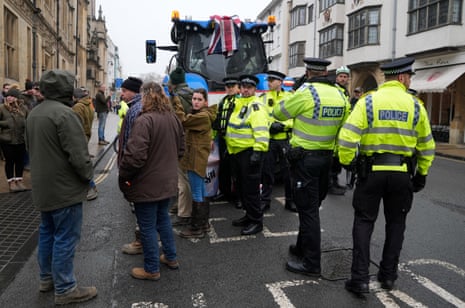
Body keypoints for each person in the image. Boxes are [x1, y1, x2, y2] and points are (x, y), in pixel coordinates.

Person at [338, 57, 436, 295]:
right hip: (402, 174)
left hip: (371, 173)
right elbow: (426, 145)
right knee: (396, 224)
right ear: (402, 78)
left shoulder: (368, 101)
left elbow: (348, 135)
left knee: (363, 222)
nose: (409, 80)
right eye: (409, 77)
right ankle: (388, 276)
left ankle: (360, 279)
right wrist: (421, 173)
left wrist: (347, 161)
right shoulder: (416, 105)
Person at [25, 70, 97, 305]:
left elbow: (29, 148)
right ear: (66, 89)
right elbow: (78, 155)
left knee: (47, 233)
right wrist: (88, 177)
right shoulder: (65, 115)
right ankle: (66, 288)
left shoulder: (34, 113)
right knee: (65, 237)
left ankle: (47, 279)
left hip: (43, 187)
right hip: (64, 189)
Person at [273, 57, 350, 277]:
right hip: (326, 160)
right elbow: (345, 126)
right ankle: (301, 247)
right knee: (312, 207)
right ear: (326, 73)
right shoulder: (340, 94)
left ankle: (312, 264)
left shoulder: (306, 93)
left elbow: (279, 113)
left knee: (308, 212)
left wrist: (295, 90)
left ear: (307, 73)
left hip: (305, 161)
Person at [118, 81, 184, 281]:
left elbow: (134, 157)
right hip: (167, 182)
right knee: (162, 219)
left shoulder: (144, 120)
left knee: (146, 226)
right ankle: (171, 258)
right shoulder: (173, 118)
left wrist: (125, 176)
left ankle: (151, 268)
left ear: (146, 96)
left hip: (146, 183)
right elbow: (181, 150)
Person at [225, 74, 270, 236]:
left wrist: (258, 152)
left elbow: (261, 132)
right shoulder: (238, 103)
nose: (245, 89)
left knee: (251, 190)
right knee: (242, 189)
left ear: (254, 89)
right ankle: (248, 216)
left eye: (249, 87)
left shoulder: (256, 105)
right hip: (237, 153)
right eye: (243, 86)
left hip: (250, 153)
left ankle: (256, 221)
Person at [173, 88, 217, 238]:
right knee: (202, 191)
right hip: (196, 158)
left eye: (199, 99)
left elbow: (183, 121)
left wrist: (176, 101)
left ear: (205, 102)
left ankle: (196, 228)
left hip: (196, 159)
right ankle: (203, 223)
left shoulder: (203, 117)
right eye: (194, 99)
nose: (196, 102)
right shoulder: (200, 114)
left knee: (197, 192)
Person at [116, 76, 145, 255]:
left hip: (134, 165)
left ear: (133, 91)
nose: (122, 94)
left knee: (138, 204)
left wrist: (126, 168)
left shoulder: (135, 110)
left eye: (125, 91)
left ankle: (140, 241)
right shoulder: (136, 107)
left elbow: (131, 143)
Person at [261, 70, 296, 212]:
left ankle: (290, 201)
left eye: (272, 80)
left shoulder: (290, 97)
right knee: (267, 172)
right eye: (268, 80)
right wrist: (270, 125)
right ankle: (265, 201)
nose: (269, 82)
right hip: (269, 139)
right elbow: (261, 116)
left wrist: (284, 125)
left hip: (284, 140)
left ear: (280, 82)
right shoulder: (262, 98)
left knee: (288, 173)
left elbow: (295, 117)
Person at [167, 68, 193, 228]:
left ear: (173, 84)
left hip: (179, 141)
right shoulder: (193, 94)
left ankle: (184, 214)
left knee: (182, 179)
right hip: (191, 140)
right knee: (183, 177)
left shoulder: (176, 98)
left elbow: (174, 121)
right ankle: (181, 205)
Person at [211, 76, 241, 208]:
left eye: (232, 86)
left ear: (238, 87)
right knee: (224, 168)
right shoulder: (223, 101)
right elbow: (217, 121)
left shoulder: (240, 101)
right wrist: (213, 137)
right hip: (223, 139)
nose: (229, 88)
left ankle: (238, 196)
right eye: (227, 86)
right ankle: (225, 192)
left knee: (237, 170)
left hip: (235, 140)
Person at [328, 66, 352, 195]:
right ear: (336, 77)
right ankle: (330, 184)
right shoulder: (335, 90)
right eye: (341, 76)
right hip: (335, 127)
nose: (343, 79)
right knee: (333, 158)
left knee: (337, 158)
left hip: (342, 127)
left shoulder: (345, 91)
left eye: (345, 76)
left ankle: (335, 181)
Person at [0, 88, 29, 192]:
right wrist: (6, 123)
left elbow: (28, 121)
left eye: (11, 96)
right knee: (10, 161)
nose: (9, 97)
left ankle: (19, 181)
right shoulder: (2, 108)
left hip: (21, 139)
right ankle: (11, 182)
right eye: (7, 95)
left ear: (16, 97)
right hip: (7, 140)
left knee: (20, 161)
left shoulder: (24, 108)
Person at [72, 87, 98, 201]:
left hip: (79, 138)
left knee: (80, 164)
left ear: (75, 97)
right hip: (86, 136)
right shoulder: (88, 105)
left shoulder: (78, 107)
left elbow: (76, 124)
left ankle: (91, 187)